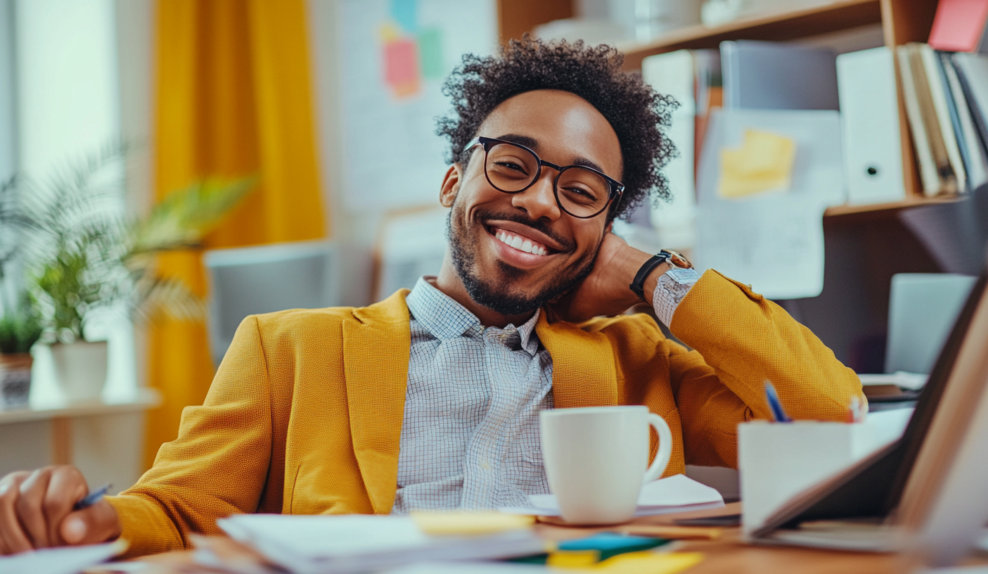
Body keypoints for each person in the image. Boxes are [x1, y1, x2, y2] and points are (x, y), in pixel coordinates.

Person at [0, 38, 862, 557]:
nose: (535, 203)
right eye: (514, 166)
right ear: (454, 181)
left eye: (581, 193)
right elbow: (178, 507)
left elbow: (829, 421)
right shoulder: (286, 346)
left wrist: (651, 274)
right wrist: (85, 520)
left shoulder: (639, 362)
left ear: (605, 227)